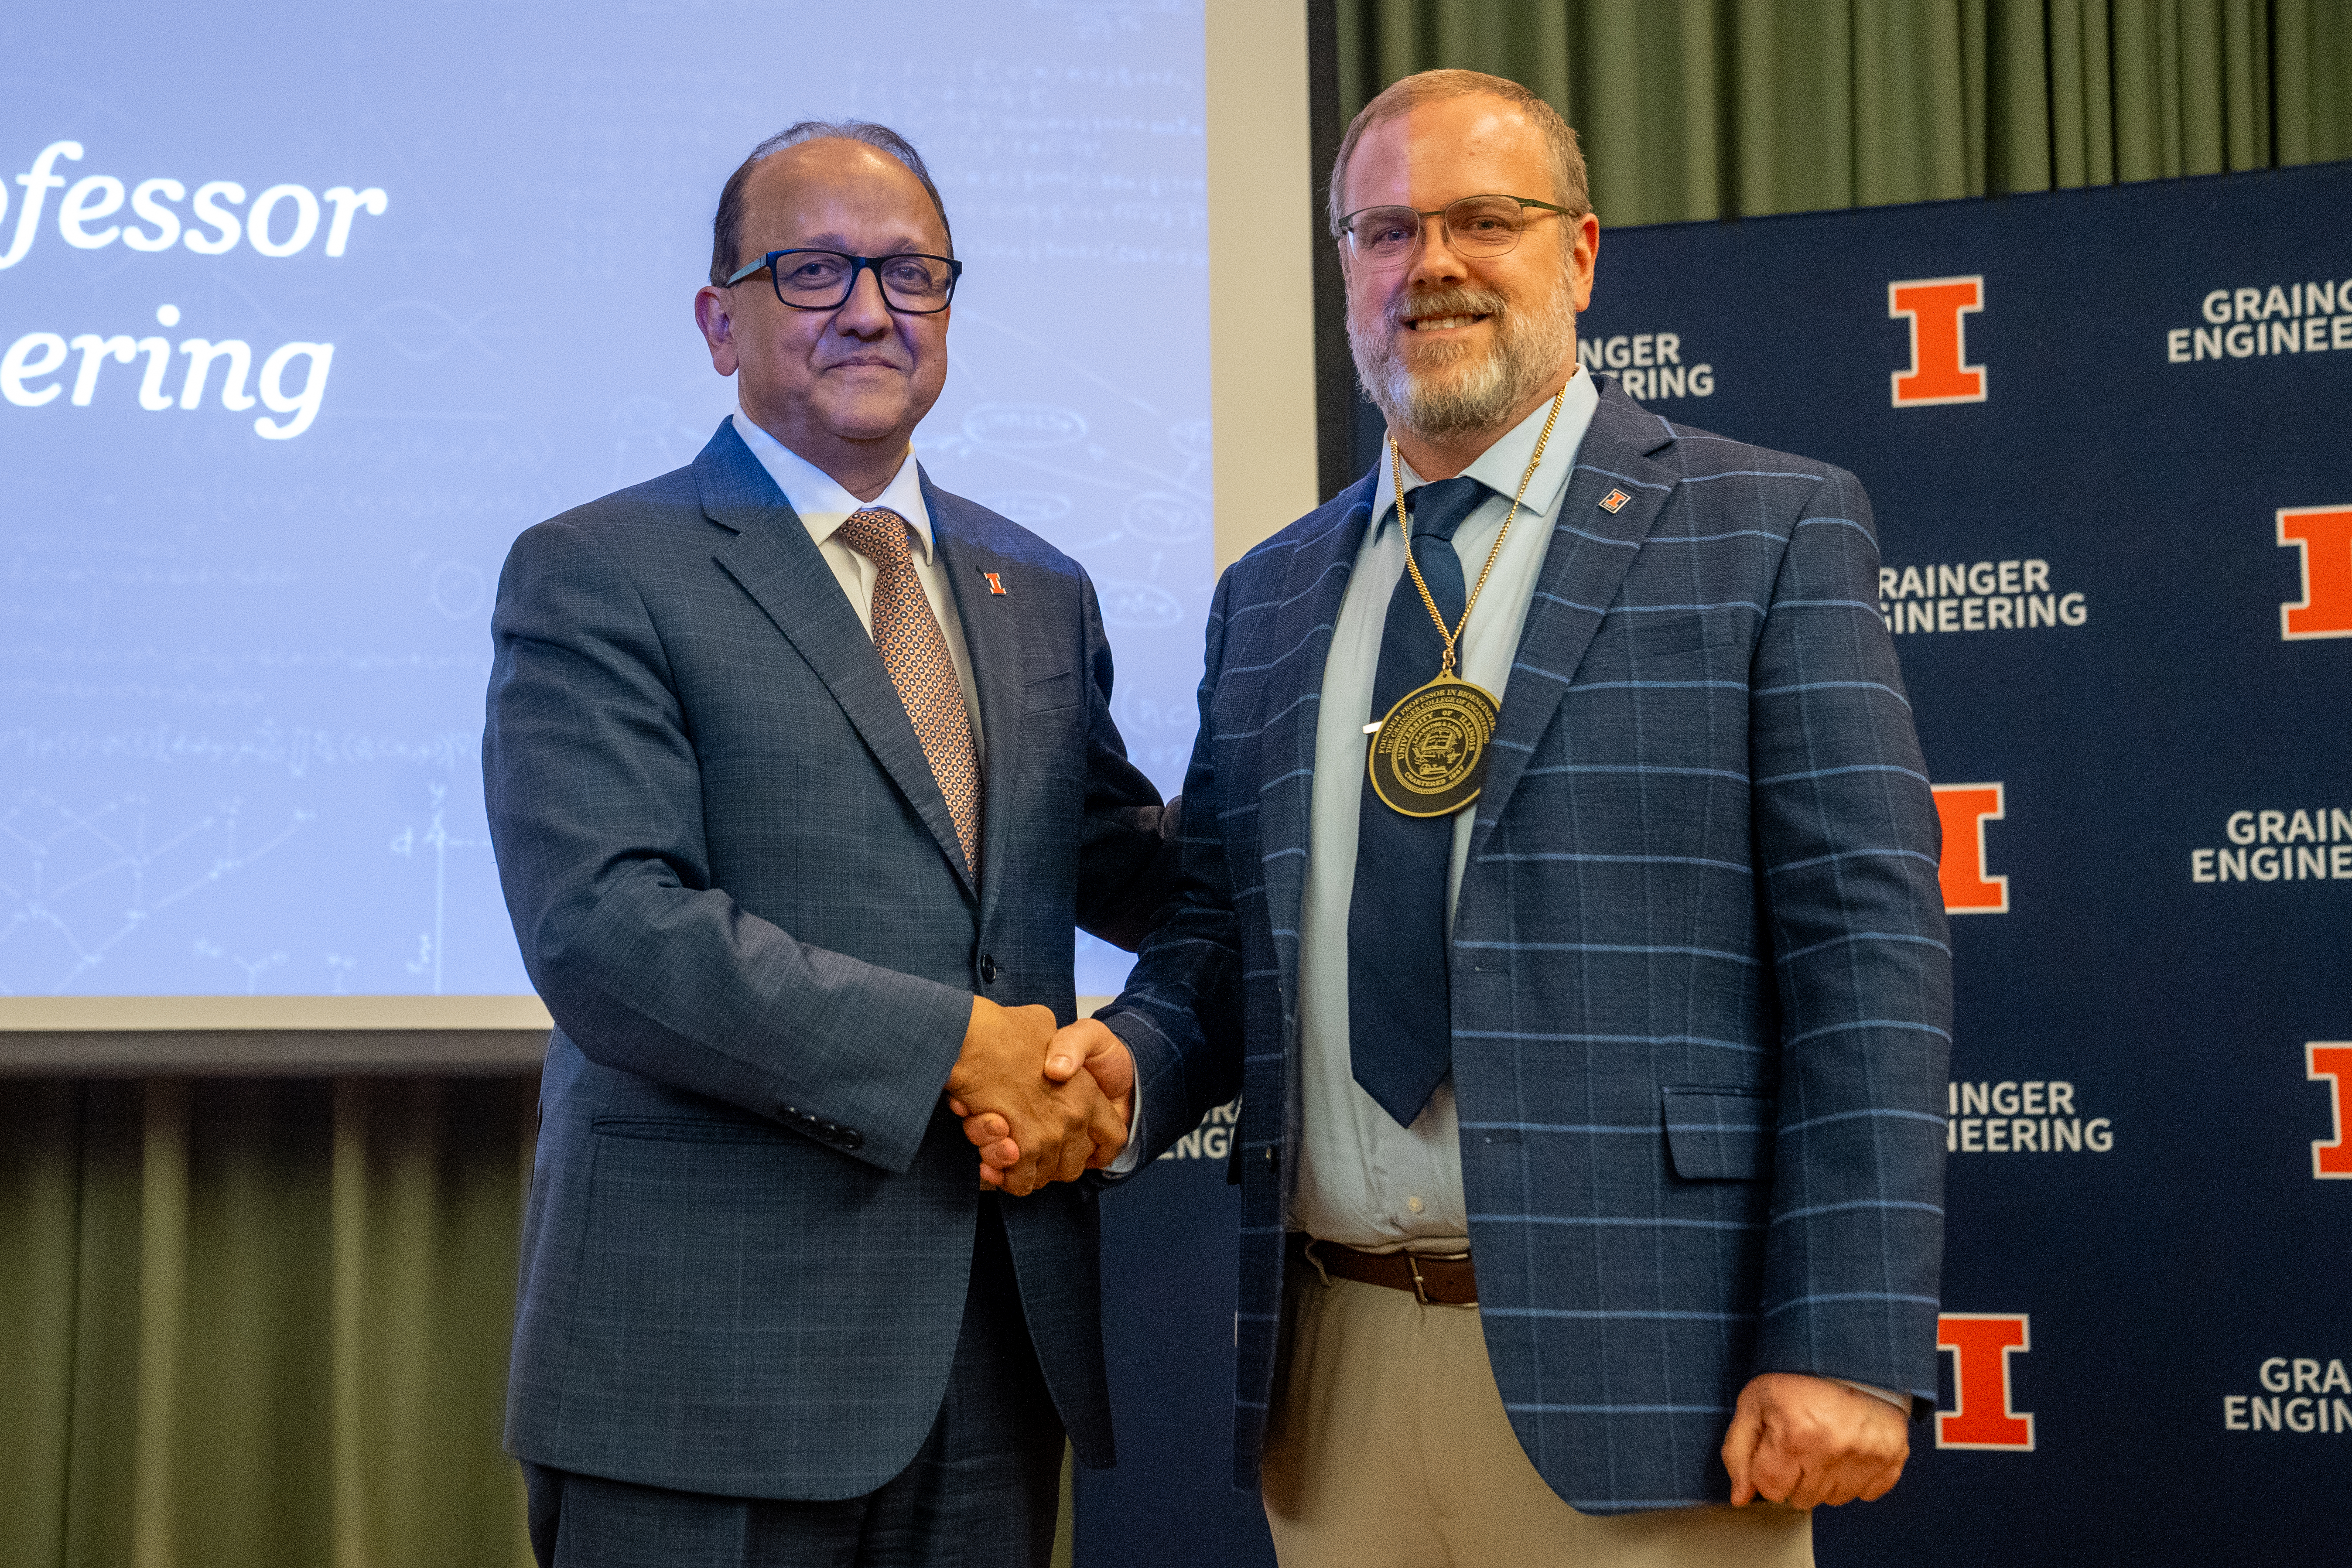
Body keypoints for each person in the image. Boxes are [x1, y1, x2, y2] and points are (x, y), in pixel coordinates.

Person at [969, 68, 1950, 1566]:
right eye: (1385, 231)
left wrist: (1852, 1335)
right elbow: (1225, 930)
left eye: (1485, 219)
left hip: (1655, 1376)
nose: (1432, 264)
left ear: (1581, 252)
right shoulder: (1276, 592)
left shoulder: (1767, 528)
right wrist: (1123, 1070)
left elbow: (1865, 957)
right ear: (1347, 273)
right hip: (1337, 1364)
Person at [483, 119, 1168, 1568]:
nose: (871, 308)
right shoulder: (598, 569)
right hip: (701, 1377)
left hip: (991, 1353)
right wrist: (954, 1049)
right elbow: (609, 933)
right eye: (814, 270)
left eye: (912, 273)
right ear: (717, 318)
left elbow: (1131, 866)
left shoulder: (1035, 587)